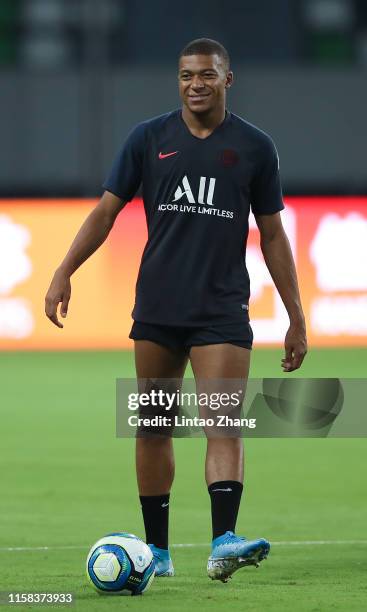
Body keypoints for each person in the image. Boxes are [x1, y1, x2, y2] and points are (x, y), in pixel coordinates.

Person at [45, 38, 307, 582]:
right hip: (160, 309)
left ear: (227, 80)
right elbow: (105, 213)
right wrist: (63, 270)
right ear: (178, 80)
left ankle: (223, 542)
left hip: (222, 312)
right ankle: (156, 552)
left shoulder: (256, 148)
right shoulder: (148, 139)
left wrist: (295, 315)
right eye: (187, 75)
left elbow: (274, 236)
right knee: (154, 429)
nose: (196, 85)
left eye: (207, 75)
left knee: (223, 426)